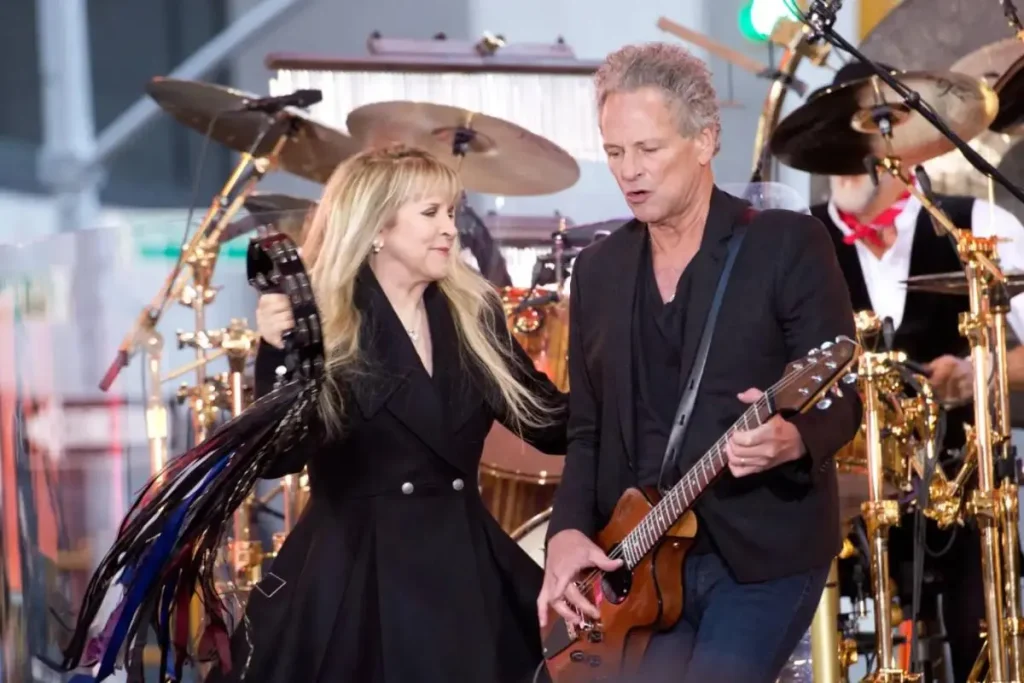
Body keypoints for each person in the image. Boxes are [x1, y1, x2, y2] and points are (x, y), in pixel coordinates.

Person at [60, 146, 568, 683]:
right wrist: (278, 351)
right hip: (355, 582)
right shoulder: (325, 321)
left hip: (465, 575)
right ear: (377, 226)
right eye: (431, 213)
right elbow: (282, 457)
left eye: (451, 212)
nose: (450, 229)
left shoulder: (473, 315)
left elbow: (548, 422)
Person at [535, 42, 862, 683]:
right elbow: (586, 429)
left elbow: (841, 398)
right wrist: (567, 532)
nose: (630, 171)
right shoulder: (597, 271)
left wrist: (792, 439)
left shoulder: (786, 245)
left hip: (761, 554)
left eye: (649, 150)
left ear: (706, 140)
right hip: (642, 561)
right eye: (615, 152)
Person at [810, 60, 1024, 683]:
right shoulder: (795, 244)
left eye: (865, 132)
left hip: (961, 500)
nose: (847, 153)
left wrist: (982, 372)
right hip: (840, 511)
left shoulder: (979, 227)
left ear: (904, 136)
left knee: (980, 633)